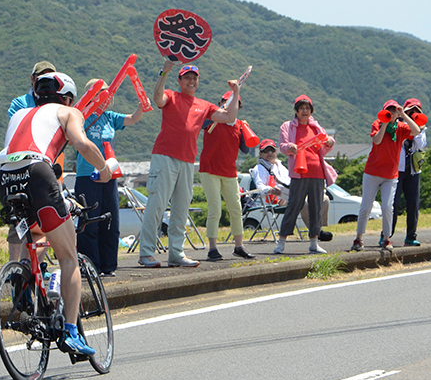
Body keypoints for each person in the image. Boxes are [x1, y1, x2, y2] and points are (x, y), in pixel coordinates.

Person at [0, 72, 113, 356]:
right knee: (69, 255)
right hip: (38, 174)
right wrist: (105, 170)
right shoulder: (68, 111)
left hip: (5, 178)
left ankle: (24, 292)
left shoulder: (19, 113)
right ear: (69, 97)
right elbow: (82, 144)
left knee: (35, 233)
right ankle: (71, 332)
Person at [137, 59, 241, 268]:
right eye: (187, 78)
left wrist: (236, 92)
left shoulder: (204, 105)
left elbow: (229, 116)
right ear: (180, 80)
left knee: (181, 209)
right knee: (156, 205)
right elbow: (158, 99)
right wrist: (163, 73)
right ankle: (146, 253)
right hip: (164, 156)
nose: (191, 81)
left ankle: (176, 253)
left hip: (187, 161)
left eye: (194, 78)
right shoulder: (172, 96)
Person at [74, 78, 149, 276]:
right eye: (98, 92)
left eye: (107, 91)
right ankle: (90, 266)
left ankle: (108, 266)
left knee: (110, 220)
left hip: (109, 174)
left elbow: (133, 118)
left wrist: (142, 104)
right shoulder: (81, 115)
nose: (104, 95)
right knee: (89, 221)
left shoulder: (109, 116)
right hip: (86, 175)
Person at [351, 99, 421, 252]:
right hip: (372, 173)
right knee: (366, 207)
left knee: (388, 207)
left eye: (393, 110)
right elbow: (377, 140)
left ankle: (387, 239)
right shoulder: (377, 124)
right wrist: (385, 123)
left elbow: (416, 131)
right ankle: (358, 238)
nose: (391, 113)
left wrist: (403, 114)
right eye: (388, 110)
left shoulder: (401, 127)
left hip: (390, 175)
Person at [5, 60, 56, 262]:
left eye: (50, 78)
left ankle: (35, 266)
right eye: (41, 77)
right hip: (20, 164)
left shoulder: (57, 103)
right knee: (18, 217)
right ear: (33, 79)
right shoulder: (20, 102)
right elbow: (17, 127)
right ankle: (13, 266)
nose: (45, 81)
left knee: (45, 219)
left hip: (47, 166)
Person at [275, 95, 336, 255]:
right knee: (294, 205)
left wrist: (330, 142)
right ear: (296, 110)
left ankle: (314, 242)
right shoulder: (288, 126)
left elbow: (324, 146)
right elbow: (282, 146)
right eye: (301, 108)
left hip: (317, 172)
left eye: (307, 108)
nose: (304, 111)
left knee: (317, 207)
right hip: (299, 173)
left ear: (311, 111)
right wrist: (290, 147)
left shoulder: (316, 127)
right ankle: (281, 241)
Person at [199, 91, 255, 261]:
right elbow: (201, 124)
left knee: (236, 209)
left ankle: (239, 246)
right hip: (209, 169)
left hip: (229, 171)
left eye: (234, 103)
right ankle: (212, 248)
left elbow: (247, 149)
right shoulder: (213, 121)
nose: (231, 105)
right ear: (222, 102)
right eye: (227, 101)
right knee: (215, 209)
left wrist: (245, 129)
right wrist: (219, 112)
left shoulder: (239, 125)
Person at [250, 139, 331, 235]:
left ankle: (320, 227)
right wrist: (270, 189)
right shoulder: (259, 168)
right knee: (303, 203)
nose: (270, 153)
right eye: (266, 151)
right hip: (278, 200)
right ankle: (316, 232)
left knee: (324, 199)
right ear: (260, 153)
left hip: (293, 193)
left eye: (272, 150)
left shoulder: (279, 165)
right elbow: (260, 187)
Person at [389, 98, 428, 246]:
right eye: (411, 111)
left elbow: (420, 144)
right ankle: (386, 235)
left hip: (413, 170)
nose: (413, 114)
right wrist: (403, 118)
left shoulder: (421, 128)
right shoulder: (397, 125)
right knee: (394, 204)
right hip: (397, 169)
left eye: (417, 112)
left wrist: (418, 127)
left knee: (413, 204)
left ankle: (411, 236)